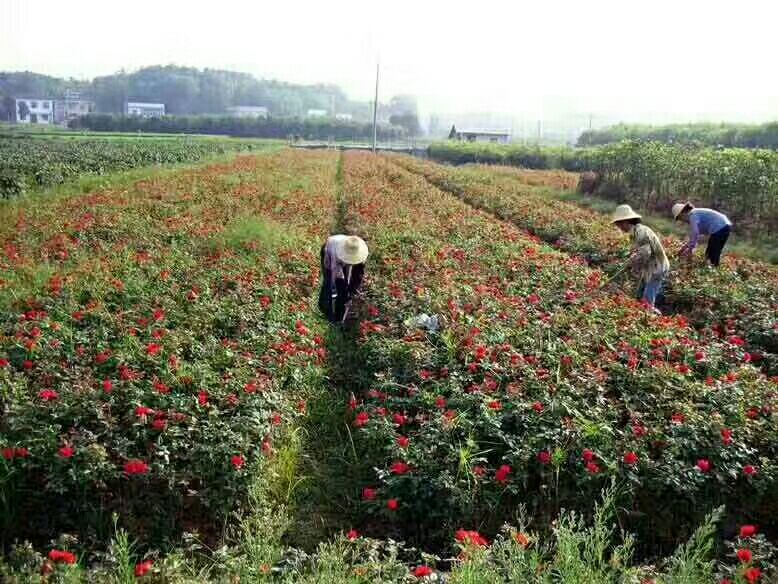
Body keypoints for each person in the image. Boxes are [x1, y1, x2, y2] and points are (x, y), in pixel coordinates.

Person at [611, 204, 670, 311]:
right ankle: (643, 310)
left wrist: (633, 261)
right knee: (640, 292)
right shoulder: (636, 232)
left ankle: (649, 316)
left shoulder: (640, 232)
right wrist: (633, 260)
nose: (619, 228)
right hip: (650, 267)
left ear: (625, 222)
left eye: (619, 225)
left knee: (648, 297)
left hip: (657, 267)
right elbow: (639, 251)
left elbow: (645, 253)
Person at [318, 234, 368, 323]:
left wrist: (349, 290)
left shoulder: (359, 250)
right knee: (330, 281)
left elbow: (354, 270)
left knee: (347, 286)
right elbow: (334, 273)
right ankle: (326, 309)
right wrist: (334, 290)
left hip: (346, 247)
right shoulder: (336, 253)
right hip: (329, 248)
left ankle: (342, 310)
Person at [672, 202, 732, 267]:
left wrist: (690, 250)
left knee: (713, 254)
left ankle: (714, 270)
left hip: (720, 227)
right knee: (710, 253)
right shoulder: (695, 213)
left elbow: (695, 233)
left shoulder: (692, 214)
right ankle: (713, 269)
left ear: (682, 213)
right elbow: (696, 236)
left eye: (680, 218)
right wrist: (685, 247)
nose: (682, 221)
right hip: (724, 226)